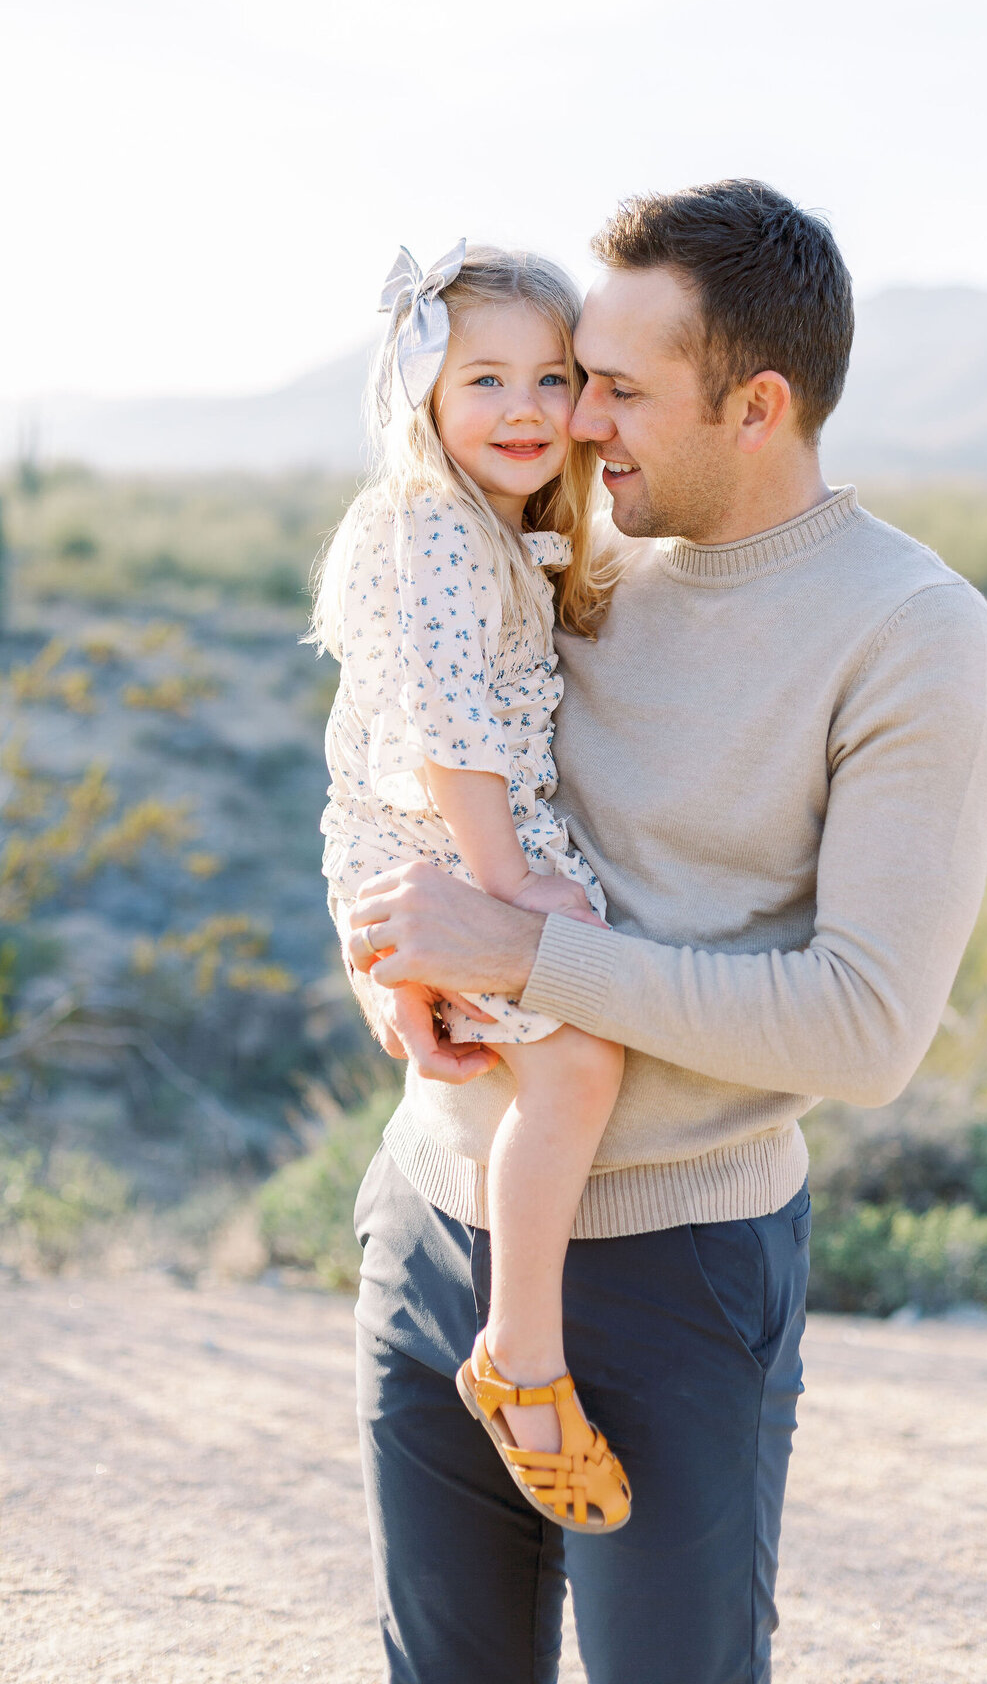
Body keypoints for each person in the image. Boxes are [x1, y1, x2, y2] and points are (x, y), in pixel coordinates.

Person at [342, 180, 987, 1684]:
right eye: (573, 380)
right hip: (430, 1219)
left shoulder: (913, 630)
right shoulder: (563, 560)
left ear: (757, 403)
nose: (575, 425)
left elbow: (864, 1030)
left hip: (677, 1264)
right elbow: (395, 766)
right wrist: (382, 953)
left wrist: (520, 959)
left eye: (619, 391)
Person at [314, 242, 632, 1532]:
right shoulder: (439, 528)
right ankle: (521, 1354)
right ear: (423, 401)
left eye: (551, 379)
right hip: (451, 845)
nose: (522, 409)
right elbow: (448, 728)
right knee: (576, 1064)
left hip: (409, 844)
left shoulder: (482, 528)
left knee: (539, 1064)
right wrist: (505, 898)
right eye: (483, 377)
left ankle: (510, 1331)